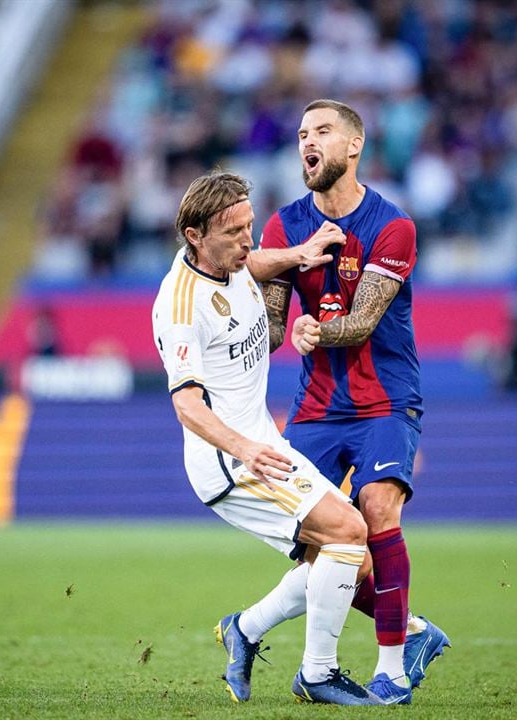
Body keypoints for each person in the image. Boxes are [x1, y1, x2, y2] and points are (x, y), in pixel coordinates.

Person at [151, 171, 385, 706]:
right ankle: (318, 674)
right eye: (233, 231)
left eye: (250, 225)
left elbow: (252, 265)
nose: (248, 241)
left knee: (351, 558)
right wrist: (245, 450)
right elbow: (187, 405)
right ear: (194, 236)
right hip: (231, 461)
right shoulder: (180, 304)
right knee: (348, 531)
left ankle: (245, 628)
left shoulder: (229, 262)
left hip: (260, 444)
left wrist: (300, 253)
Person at [248, 99, 450, 705]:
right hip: (316, 407)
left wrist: (317, 331)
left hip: (387, 399)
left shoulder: (393, 226)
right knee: (319, 544)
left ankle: (390, 669)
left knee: (377, 508)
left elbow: (361, 321)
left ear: (353, 146)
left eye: (323, 131)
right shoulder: (285, 227)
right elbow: (273, 325)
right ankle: (413, 631)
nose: (307, 141)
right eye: (302, 133)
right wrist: (267, 283)